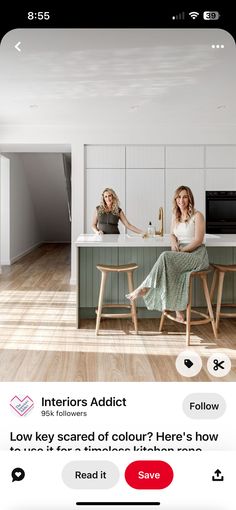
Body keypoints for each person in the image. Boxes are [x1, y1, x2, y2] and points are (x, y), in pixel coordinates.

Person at [126, 185, 209, 322]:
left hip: (196, 255)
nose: (181, 200)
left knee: (165, 256)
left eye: (184, 197)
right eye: (179, 197)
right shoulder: (175, 216)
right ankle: (178, 310)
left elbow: (198, 240)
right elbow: (171, 233)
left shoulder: (197, 215)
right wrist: (172, 241)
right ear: (175, 200)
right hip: (180, 253)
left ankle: (145, 288)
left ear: (189, 199)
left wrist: (182, 250)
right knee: (169, 268)